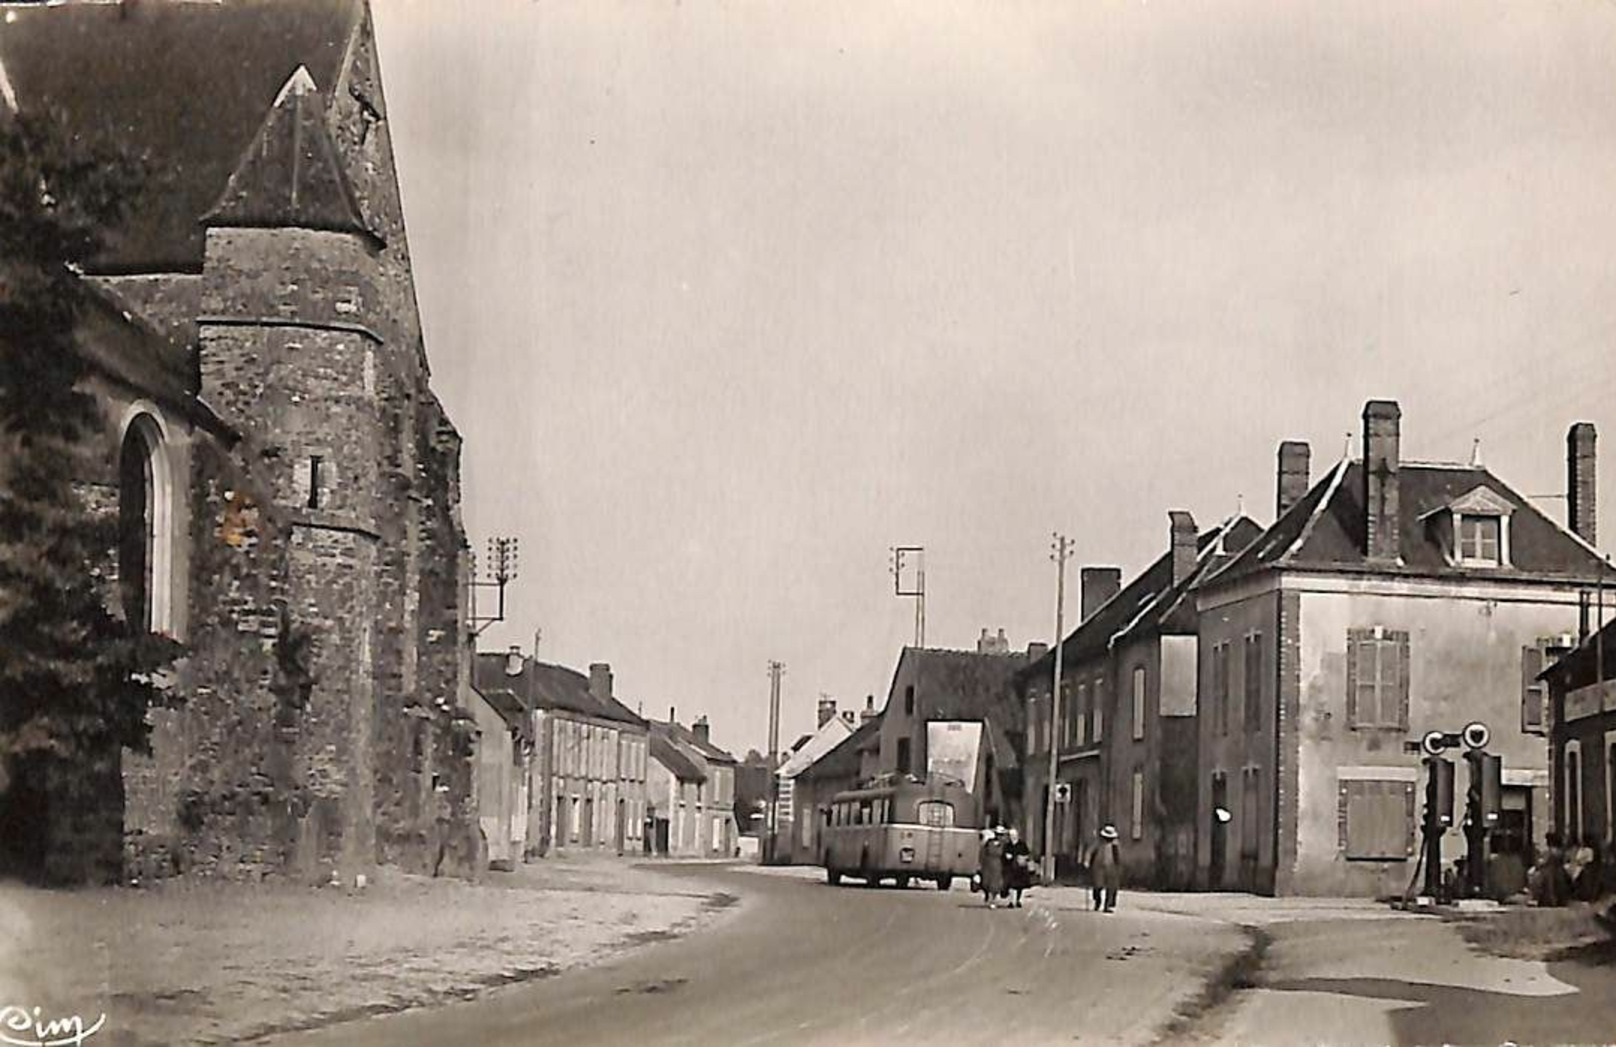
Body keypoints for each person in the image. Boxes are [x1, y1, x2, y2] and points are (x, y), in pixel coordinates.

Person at [1092, 824, 1122, 913]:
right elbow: (1092, 853)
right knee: (1098, 887)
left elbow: (1117, 857)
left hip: (1110, 867)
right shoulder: (1098, 844)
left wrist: (1117, 867)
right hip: (1099, 867)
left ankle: (1107, 905)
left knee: (1110, 888)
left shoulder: (1115, 846)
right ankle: (1097, 902)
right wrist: (1088, 863)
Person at [1003, 827, 1033, 908]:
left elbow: (1027, 854)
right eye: (1010, 835)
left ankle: (1019, 900)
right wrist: (1006, 856)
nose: (1012, 837)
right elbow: (1004, 855)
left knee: (1020, 886)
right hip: (1010, 867)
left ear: (1017, 835)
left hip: (1020, 868)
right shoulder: (1008, 845)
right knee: (1011, 885)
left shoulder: (1022, 844)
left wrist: (1022, 857)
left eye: (1013, 835)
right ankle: (1011, 901)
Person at [979, 826, 1007, 908]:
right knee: (987, 882)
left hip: (999, 865)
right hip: (988, 864)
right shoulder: (989, 843)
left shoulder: (1004, 844)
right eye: (998, 834)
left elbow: (1005, 854)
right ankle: (988, 896)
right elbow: (983, 853)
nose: (999, 836)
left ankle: (993, 900)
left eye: (1001, 835)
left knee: (996, 883)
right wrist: (981, 863)